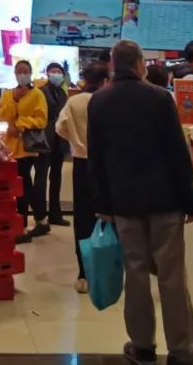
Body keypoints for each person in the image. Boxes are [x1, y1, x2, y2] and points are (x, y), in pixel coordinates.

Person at [88, 40, 193, 365]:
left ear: (113, 64)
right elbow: (177, 152)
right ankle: (183, 350)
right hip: (165, 199)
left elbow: (96, 158)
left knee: (136, 273)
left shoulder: (99, 101)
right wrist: (190, 198)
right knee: (172, 276)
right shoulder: (159, 98)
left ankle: (142, 345)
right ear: (140, 64)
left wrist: (103, 204)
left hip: (124, 202)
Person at [56, 61, 110, 294]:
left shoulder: (74, 101)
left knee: (83, 218)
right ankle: (106, 270)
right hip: (106, 165)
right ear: (105, 80)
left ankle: (84, 273)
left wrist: (75, 141)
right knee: (107, 216)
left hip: (81, 163)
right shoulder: (109, 101)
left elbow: (60, 128)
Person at [0, 60, 49, 244]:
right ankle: (41, 219)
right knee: (24, 185)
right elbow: (3, 114)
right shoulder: (9, 94)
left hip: (28, 147)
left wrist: (19, 125)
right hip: (12, 147)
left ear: (31, 73)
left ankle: (23, 226)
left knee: (22, 186)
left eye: (25, 71)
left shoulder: (37, 94)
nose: (22, 74)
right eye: (19, 71)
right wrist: (16, 99)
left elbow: (41, 120)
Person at [40, 62, 71, 227]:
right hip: (45, 139)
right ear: (47, 73)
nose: (56, 74)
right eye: (53, 71)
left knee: (56, 177)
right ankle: (40, 214)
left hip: (60, 139)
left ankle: (55, 213)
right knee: (41, 177)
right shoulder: (41, 91)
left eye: (59, 71)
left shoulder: (62, 92)